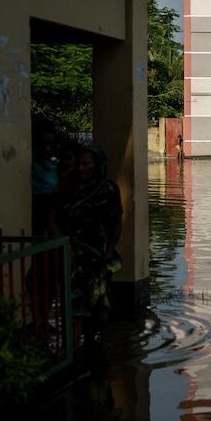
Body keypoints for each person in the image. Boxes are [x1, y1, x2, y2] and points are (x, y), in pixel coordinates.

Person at [52, 146, 123, 341]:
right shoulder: (66, 188)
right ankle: (73, 351)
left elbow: (117, 222)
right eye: (78, 164)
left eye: (86, 164)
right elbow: (54, 218)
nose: (81, 168)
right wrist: (64, 245)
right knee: (73, 307)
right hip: (73, 256)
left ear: (97, 165)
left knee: (98, 306)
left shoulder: (108, 189)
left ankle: (92, 344)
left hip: (98, 257)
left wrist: (109, 250)